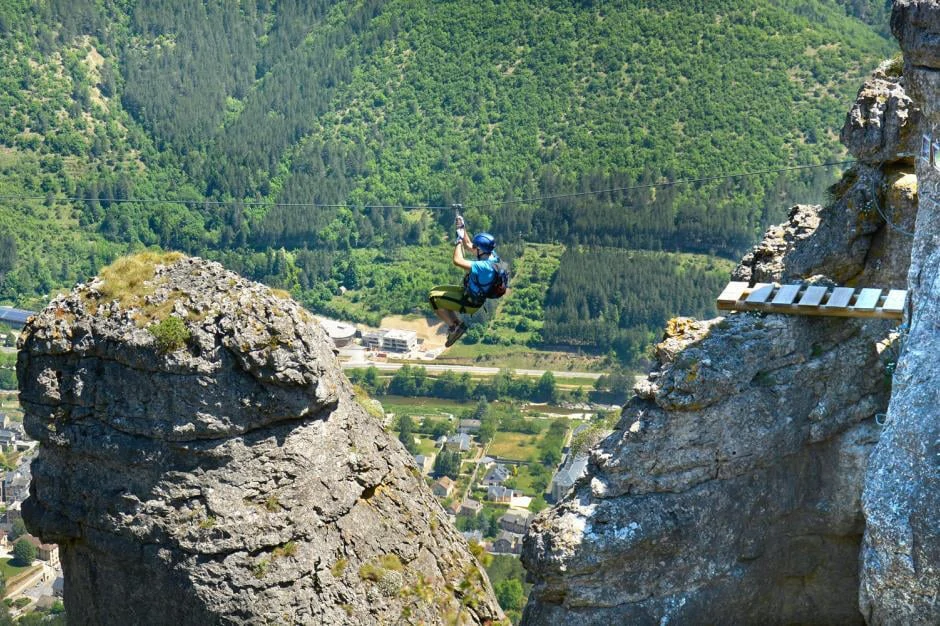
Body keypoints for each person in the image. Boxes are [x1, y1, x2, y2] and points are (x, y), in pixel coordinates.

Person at [429, 218, 501, 347]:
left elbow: (457, 260)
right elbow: (468, 244)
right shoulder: (491, 255)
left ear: (481, 249)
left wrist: (457, 241)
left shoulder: (484, 266)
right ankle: (457, 325)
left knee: (434, 299)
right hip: (470, 294)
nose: (474, 248)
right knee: (436, 291)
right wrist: (462, 228)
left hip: (470, 302)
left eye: (476, 247)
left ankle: (453, 327)